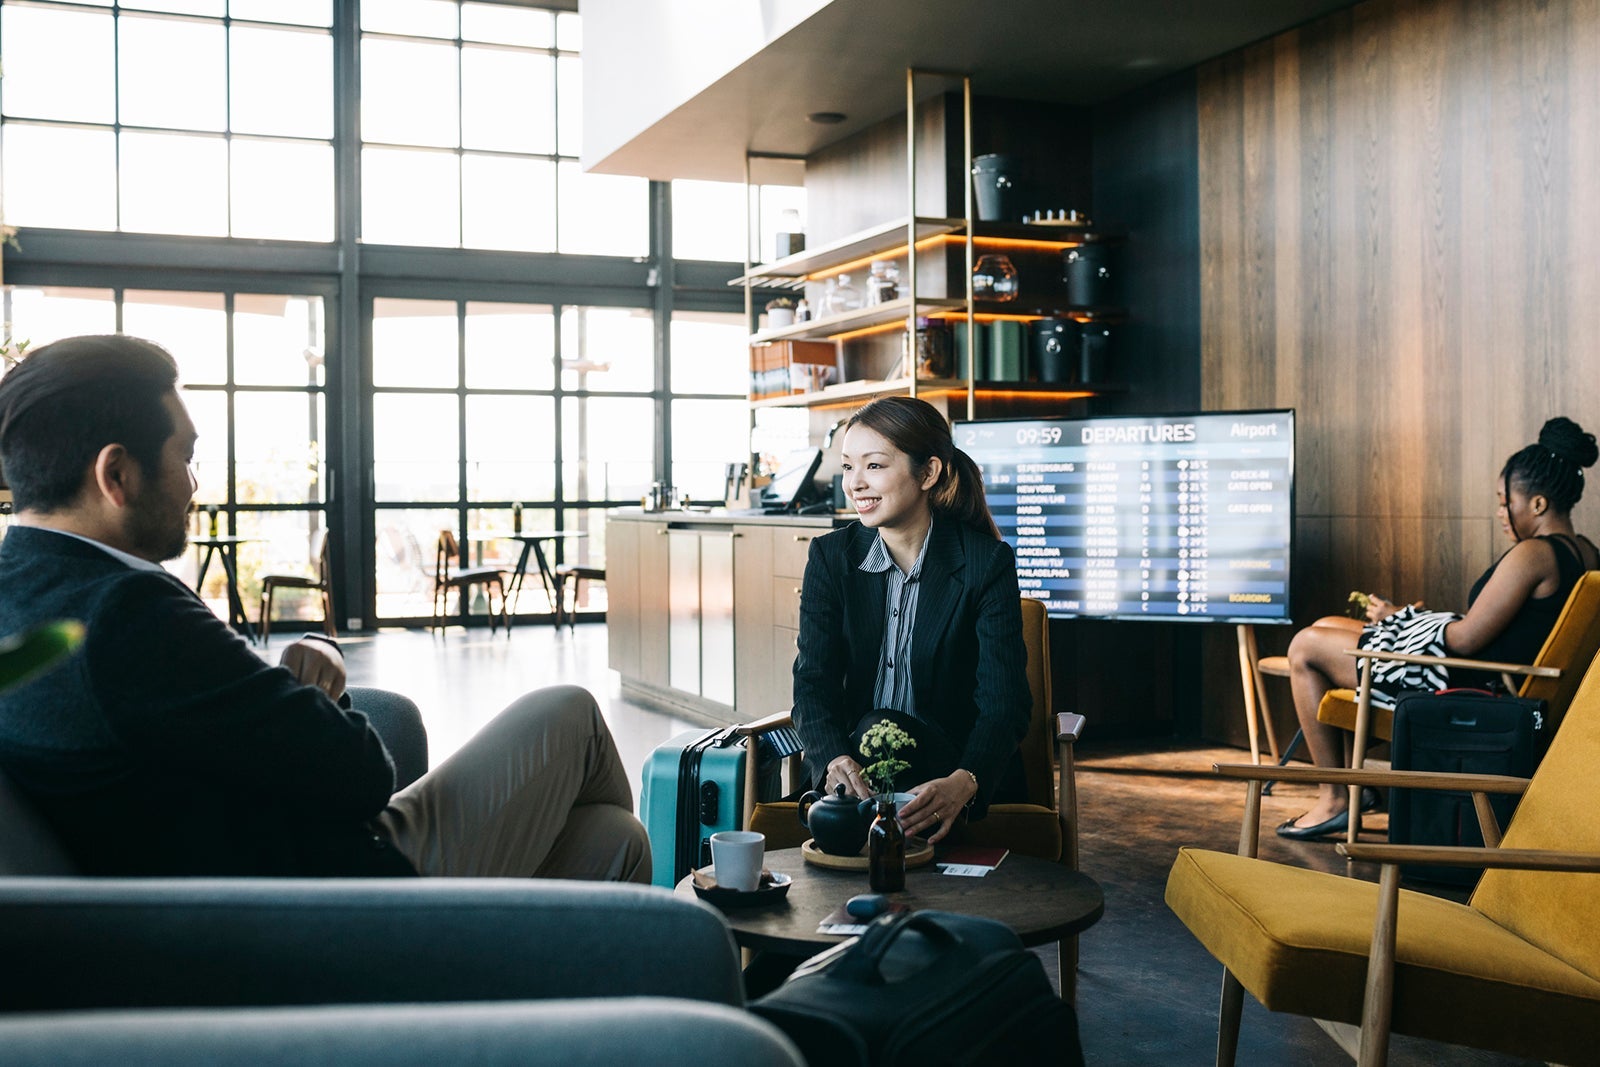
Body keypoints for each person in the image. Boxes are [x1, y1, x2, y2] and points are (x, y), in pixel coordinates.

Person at [0, 334, 649, 881]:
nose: (194, 485)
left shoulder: (25, 589)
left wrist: (286, 684)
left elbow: (201, 725)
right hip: (339, 900)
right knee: (573, 714)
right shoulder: (129, 610)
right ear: (117, 475)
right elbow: (360, 772)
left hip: (250, 882)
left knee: (616, 840)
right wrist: (318, 689)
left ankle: (579, 988)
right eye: (186, 456)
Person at [1278, 416, 1599, 839]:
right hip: (1491, 675)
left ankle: (1336, 798)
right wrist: (1404, 618)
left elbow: (1466, 637)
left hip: (1476, 687)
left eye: (1506, 502)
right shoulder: (1587, 553)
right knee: (1327, 626)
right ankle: (1355, 792)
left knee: (1305, 646)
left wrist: (1399, 618)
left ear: (1537, 505)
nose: (1501, 513)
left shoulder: (1533, 555)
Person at [791, 395, 1031, 845]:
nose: (855, 484)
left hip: (948, 768)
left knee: (880, 727)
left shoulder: (985, 563)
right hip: (854, 774)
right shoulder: (830, 558)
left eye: (874, 466)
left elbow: (1005, 702)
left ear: (929, 472)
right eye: (847, 467)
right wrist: (832, 761)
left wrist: (966, 779)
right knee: (869, 734)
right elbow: (812, 683)